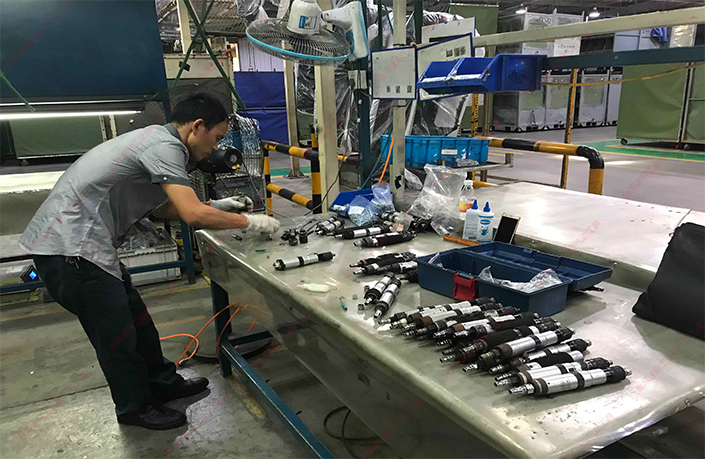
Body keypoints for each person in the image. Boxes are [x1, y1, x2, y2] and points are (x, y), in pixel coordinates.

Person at [19, 92, 280, 430]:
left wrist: (218, 206)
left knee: (138, 322)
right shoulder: (165, 147)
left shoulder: (156, 141)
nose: (214, 148)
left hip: (87, 249)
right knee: (117, 337)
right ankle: (134, 407)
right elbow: (191, 215)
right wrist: (250, 222)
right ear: (197, 126)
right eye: (215, 138)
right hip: (72, 251)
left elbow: (163, 209)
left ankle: (162, 382)